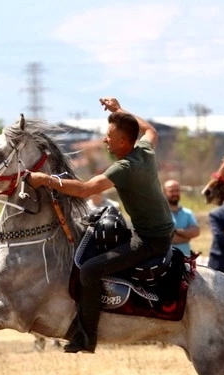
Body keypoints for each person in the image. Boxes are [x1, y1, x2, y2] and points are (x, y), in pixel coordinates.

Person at [27, 97, 174, 353]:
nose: (105, 140)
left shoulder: (124, 167)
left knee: (90, 270)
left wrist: (44, 180)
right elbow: (151, 131)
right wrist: (119, 110)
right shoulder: (144, 151)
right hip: (154, 232)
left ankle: (87, 336)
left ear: (123, 142)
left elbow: (85, 190)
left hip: (149, 241)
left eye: (109, 136)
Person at [163, 179, 199, 257]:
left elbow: (196, 232)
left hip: (185, 259)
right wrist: (186, 237)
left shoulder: (188, 213)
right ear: (164, 193)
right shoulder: (160, 214)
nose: (175, 193)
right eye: (171, 191)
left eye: (177, 190)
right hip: (166, 260)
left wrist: (174, 230)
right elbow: (166, 239)